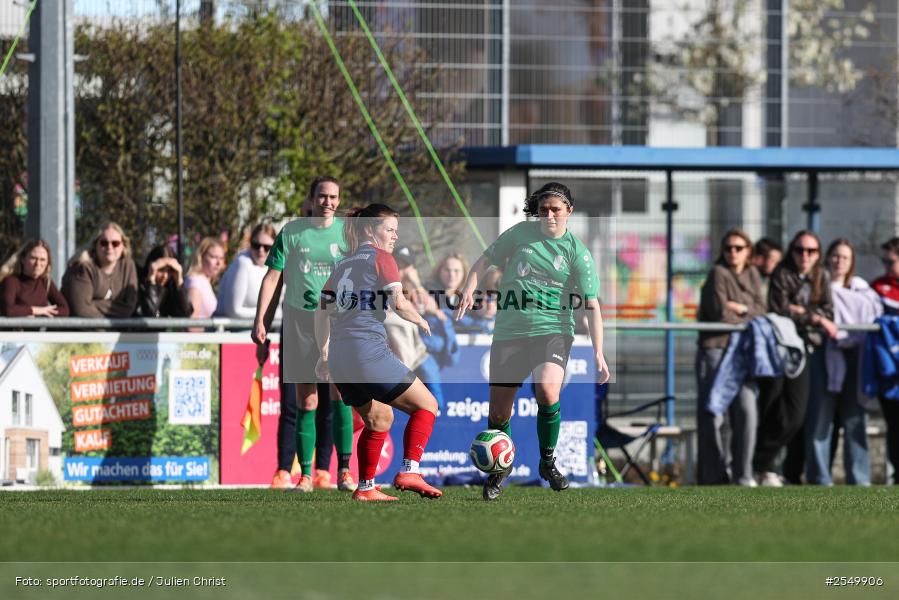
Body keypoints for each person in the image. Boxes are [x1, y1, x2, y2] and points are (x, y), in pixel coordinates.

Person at [455, 182, 611, 501]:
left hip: (553, 330)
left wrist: (598, 353)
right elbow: (484, 260)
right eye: (544, 210)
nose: (549, 215)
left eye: (556, 209)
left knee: (547, 390)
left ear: (569, 211)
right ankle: (501, 469)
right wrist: (470, 287)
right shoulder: (520, 234)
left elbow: (592, 306)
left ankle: (547, 462)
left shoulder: (577, 253)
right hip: (510, 332)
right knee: (499, 413)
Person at [315, 203, 443, 501]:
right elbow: (398, 302)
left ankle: (365, 487)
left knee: (379, 419)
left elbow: (320, 311)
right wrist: (421, 318)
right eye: (390, 230)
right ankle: (410, 470)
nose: (395, 236)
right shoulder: (382, 258)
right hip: (366, 353)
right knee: (428, 406)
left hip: (340, 358)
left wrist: (324, 353)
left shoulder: (343, 265)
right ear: (370, 230)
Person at [252, 176, 356, 493]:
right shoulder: (292, 232)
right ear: (311, 199)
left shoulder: (347, 234)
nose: (328, 202)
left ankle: (344, 472)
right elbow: (272, 279)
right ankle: (306, 476)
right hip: (299, 322)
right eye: (322, 196)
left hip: (338, 321)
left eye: (334, 197)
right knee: (306, 399)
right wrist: (261, 321)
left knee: (342, 396)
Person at [754, 230, 837, 487]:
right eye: (800, 250)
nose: (805, 256)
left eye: (811, 251)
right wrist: (814, 317)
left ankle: (787, 472)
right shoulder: (783, 274)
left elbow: (829, 313)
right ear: (792, 251)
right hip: (783, 352)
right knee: (778, 412)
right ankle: (758, 466)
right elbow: (780, 311)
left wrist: (805, 312)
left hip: (811, 351)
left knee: (800, 417)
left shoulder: (821, 276)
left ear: (818, 254)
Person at [806, 239, 880, 485]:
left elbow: (871, 313)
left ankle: (859, 478)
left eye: (845, 258)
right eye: (835, 256)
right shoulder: (816, 287)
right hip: (826, 355)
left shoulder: (862, 290)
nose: (839, 262)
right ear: (827, 258)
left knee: (855, 419)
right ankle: (819, 478)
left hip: (855, 358)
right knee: (821, 421)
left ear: (851, 263)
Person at [696, 229, 766, 486]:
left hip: (743, 354)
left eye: (739, 248)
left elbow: (762, 311)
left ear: (748, 251)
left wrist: (741, 308)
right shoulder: (718, 274)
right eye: (728, 248)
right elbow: (720, 313)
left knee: (747, 411)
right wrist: (746, 313)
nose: (733, 253)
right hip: (716, 349)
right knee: (713, 414)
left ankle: (743, 474)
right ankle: (714, 477)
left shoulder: (753, 274)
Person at [62, 222, 138, 318]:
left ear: (123, 246)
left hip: (113, 330)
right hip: (76, 331)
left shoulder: (128, 266)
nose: (109, 247)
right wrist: (112, 323)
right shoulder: (82, 267)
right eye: (104, 243)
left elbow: (129, 308)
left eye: (115, 243)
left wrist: (94, 304)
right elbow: (82, 310)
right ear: (95, 244)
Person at [870, 237, 899, 481]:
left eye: (890, 261)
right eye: (884, 261)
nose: (886, 266)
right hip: (889, 370)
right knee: (894, 424)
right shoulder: (878, 288)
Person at [216, 223, 281, 321]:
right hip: (231, 332)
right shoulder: (242, 263)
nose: (261, 250)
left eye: (267, 247)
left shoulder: (276, 266)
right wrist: (271, 313)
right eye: (256, 245)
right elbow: (233, 310)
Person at [1, 239, 70, 318]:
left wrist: (40, 313)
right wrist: (36, 310)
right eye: (33, 258)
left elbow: (64, 310)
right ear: (23, 259)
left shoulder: (45, 282)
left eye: (42, 260)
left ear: (48, 263)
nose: (38, 263)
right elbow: (8, 310)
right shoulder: (11, 281)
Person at [136, 244, 191, 318]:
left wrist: (179, 282)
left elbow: (186, 313)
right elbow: (149, 312)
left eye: (170, 271)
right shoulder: (137, 284)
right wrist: (151, 281)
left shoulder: (170, 288)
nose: (165, 275)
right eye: (161, 270)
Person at [183, 237, 226, 319]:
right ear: (201, 256)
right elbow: (191, 323)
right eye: (213, 257)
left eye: (221, 258)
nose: (219, 263)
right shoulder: (195, 282)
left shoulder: (204, 281)